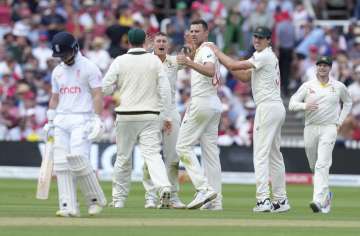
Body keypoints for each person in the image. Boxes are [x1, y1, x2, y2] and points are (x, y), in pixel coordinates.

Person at [206, 26, 290, 213]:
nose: (257, 40)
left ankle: (263, 200)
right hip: (275, 107)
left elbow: (236, 66)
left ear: (269, 40)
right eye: (255, 37)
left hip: (267, 107)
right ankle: (281, 199)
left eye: (262, 38)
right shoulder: (263, 56)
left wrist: (217, 52)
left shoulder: (264, 55)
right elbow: (243, 76)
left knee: (260, 156)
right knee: (274, 156)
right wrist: (226, 63)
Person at [102, 28, 173, 209]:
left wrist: (119, 90)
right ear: (145, 42)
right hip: (150, 115)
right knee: (152, 155)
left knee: (123, 157)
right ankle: (164, 187)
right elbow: (165, 90)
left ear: (128, 42)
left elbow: (105, 88)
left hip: (125, 115)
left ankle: (118, 200)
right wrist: (164, 115)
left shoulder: (120, 61)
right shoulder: (154, 61)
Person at [43, 31, 107, 217]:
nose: (63, 58)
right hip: (62, 119)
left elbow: (97, 94)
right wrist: (50, 121)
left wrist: (97, 118)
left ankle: (95, 200)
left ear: (75, 48)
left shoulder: (89, 67)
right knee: (62, 165)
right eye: (60, 55)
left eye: (65, 54)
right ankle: (68, 206)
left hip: (83, 118)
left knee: (78, 160)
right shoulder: (58, 71)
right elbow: (54, 98)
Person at [289, 56, 352, 213]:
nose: (322, 68)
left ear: (330, 68)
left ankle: (317, 200)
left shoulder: (338, 86)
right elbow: (291, 104)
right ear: (316, 68)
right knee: (314, 165)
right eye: (320, 65)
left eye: (326, 65)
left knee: (322, 165)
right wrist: (305, 105)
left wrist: (339, 122)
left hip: (329, 128)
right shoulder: (307, 85)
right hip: (310, 127)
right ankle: (326, 196)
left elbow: (348, 102)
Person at [176, 19, 222, 210]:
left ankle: (203, 189)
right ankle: (215, 201)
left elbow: (210, 70)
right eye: (191, 31)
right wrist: (190, 55)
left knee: (182, 146)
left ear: (206, 33)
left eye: (197, 31)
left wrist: (188, 62)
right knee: (210, 154)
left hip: (202, 102)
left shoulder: (207, 49)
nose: (193, 34)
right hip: (213, 104)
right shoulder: (202, 49)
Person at [142, 32, 186, 209]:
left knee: (173, 156)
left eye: (164, 42)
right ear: (153, 44)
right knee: (150, 156)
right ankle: (150, 197)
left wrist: (189, 48)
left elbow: (188, 57)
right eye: (158, 41)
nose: (161, 44)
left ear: (168, 45)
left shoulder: (174, 61)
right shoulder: (146, 61)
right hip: (151, 111)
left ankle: (173, 196)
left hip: (171, 110)